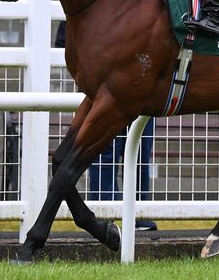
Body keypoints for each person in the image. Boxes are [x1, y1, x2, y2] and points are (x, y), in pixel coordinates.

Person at [55, 21, 157, 231]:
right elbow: (65, 44)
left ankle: (137, 213)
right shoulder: (91, 1)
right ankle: (105, 212)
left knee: (139, 152)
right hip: (108, 93)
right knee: (105, 153)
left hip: (140, 87)